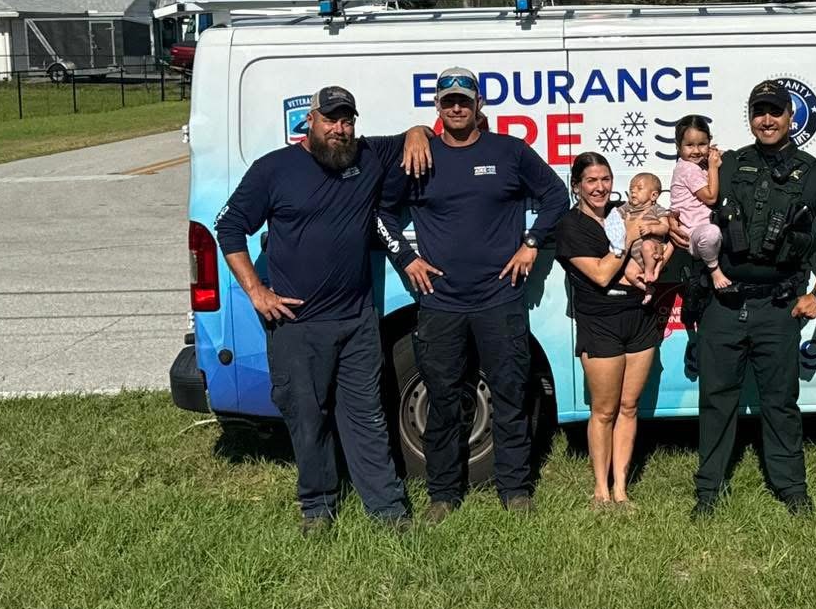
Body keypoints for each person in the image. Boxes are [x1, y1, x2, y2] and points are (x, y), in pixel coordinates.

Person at [215, 85, 430, 535]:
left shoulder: (366, 157)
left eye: (348, 120)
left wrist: (416, 132)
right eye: (331, 119)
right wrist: (257, 291)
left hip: (355, 321)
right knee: (307, 418)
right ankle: (318, 508)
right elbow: (228, 226)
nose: (340, 129)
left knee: (366, 417)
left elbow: (416, 134)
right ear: (309, 121)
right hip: (296, 324)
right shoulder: (274, 169)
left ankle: (388, 512)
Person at [377, 66, 567, 521]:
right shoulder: (418, 158)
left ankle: (515, 489)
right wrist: (406, 259)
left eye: (465, 99)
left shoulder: (509, 152)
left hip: (499, 300)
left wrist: (532, 244)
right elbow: (381, 214)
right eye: (448, 101)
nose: (457, 107)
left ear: (479, 104)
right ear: (437, 108)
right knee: (442, 398)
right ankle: (443, 495)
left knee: (509, 393)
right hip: (440, 304)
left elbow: (557, 196)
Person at [692, 80, 816, 518]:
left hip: (779, 307)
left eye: (775, 112)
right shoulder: (726, 166)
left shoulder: (814, 173)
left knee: (780, 402)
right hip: (723, 306)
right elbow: (689, 214)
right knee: (716, 399)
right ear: (751, 117)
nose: (767, 120)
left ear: (790, 117)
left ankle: (792, 489)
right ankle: (708, 492)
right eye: (759, 112)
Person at [555, 152, 669, 506]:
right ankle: (600, 492)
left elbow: (667, 243)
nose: (600, 187)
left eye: (605, 179)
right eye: (591, 181)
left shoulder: (624, 213)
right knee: (604, 410)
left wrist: (659, 261)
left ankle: (621, 488)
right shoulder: (570, 226)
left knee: (629, 407)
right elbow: (602, 274)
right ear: (577, 187)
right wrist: (627, 240)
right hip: (599, 323)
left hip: (639, 320)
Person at [668, 115, 729, 290]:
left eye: (702, 144)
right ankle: (714, 269)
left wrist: (717, 154)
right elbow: (710, 197)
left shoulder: (698, 163)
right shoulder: (687, 168)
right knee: (711, 233)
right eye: (689, 145)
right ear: (678, 146)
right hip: (693, 235)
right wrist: (713, 167)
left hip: (705, 232)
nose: (696, 151)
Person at [603, 171, 670, 296]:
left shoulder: (656, 209)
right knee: (629, 273)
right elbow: (615, 215)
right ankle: (648, 290)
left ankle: (649, 272)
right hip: (635, 254)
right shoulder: (627, 207)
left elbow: (665, 227)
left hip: (652, 247)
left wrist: (651, 228)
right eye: (631, 188)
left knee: (646, 245)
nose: (633, 191)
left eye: (639, 188)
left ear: (653, 196)